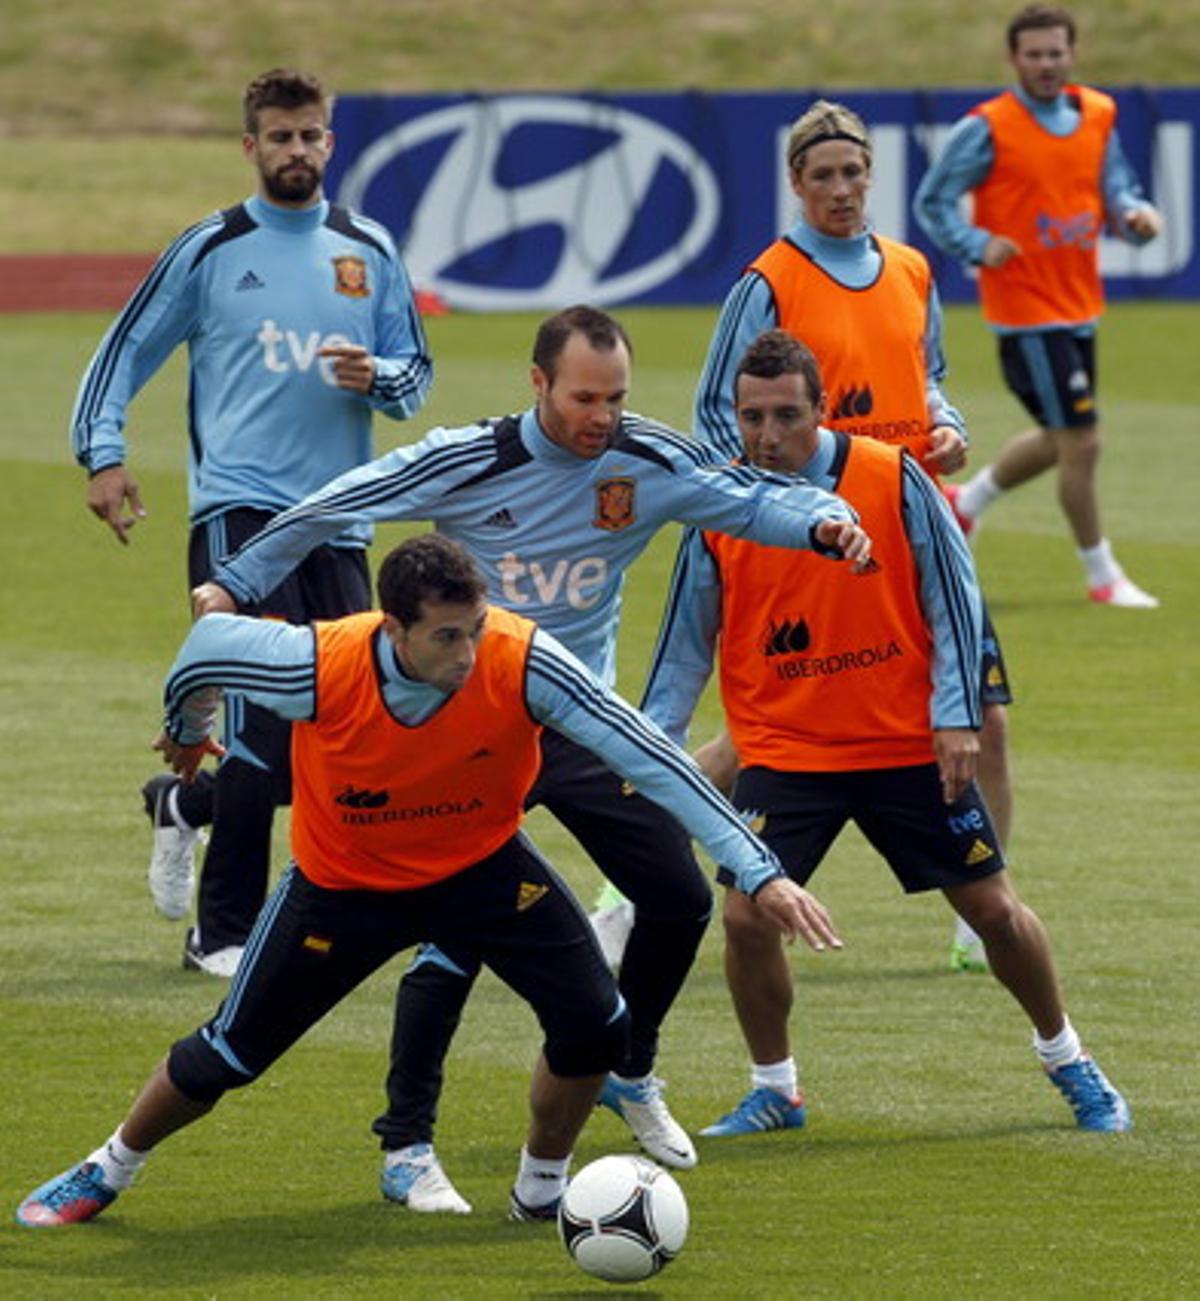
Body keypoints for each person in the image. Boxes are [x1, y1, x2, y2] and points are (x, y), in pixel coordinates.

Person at [187, 305, 870, 1205]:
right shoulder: (467, 456)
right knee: (456, 936)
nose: (602, 416)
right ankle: (405, 1143)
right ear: (539, 383)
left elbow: (749, 496)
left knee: (675, 896)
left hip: (577, 724)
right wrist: (235, 581)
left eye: (617, 397)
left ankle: (629, 1069)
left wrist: (825, 521)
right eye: (585, 396)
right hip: (466, 728)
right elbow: (343, 499)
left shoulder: (647, 459)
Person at [15, 534, 843, 1229]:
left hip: (481, 868)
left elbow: (649, 756)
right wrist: (186, 731)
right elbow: (203, 651)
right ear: (395, 628)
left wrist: (757, 867)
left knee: (599, 1026)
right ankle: (109, 1165)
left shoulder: (522, 661)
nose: (468, 651)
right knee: (228, 1053)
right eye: (447, 636)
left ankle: (541, 1190)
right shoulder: (317, 663)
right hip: (342, 885)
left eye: (475, 628)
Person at [642, 330, 1132, 1138]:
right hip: (786, 752)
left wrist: (954, 713)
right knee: (743, 918)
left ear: (822, 409)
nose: (767, 435)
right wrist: (651, 746)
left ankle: (1069, 1058)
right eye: (751, 417)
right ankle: (776, 1088)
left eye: (786, 415)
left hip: (903, 744)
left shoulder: (890, 475)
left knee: (994, 912)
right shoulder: (718, 503)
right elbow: (684, 645)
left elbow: (954, 595)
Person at [620, 97, 1010, 973]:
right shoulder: (767, 281)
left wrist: (947, 430)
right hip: (807, 538)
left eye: (854, 172)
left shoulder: (910, 269)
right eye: (823, 174)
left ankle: (976, 914)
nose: (841, 188)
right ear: (795, 183)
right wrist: (764, 512)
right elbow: (718, 414)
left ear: (872, 175)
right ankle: (627, 878)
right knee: (773, 726)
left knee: (983, 711)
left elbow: (931, 378)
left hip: (910, 525)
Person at [69, 68, 433, 976]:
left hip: (340, 523)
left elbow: (414, 376)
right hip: (238, 515)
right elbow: (124, 348)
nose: (297, 151)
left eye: (310, 136)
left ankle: (184, 807)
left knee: (342, 730)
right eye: (280, 137)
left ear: (330, 144)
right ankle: (220, 931)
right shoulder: (211, 248)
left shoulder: (369, 249)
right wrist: (102, 453)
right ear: (251, 147)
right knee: (261, 728)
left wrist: (376, 378)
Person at [914, 4, 1164, 608]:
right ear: (1014, 58)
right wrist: (977, 244)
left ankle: (964, 505)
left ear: (1071, 53)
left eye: (1056, 52)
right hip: (1026, 314)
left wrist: (1135, 218)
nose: (1047, 64)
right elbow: (934, 200)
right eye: (1034, 54)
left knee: (1061, 437)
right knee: (1083, 440)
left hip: (1080, 305)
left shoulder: (1097, 113)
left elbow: (1116, 187)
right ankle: (1102, 574)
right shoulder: (989, 128)